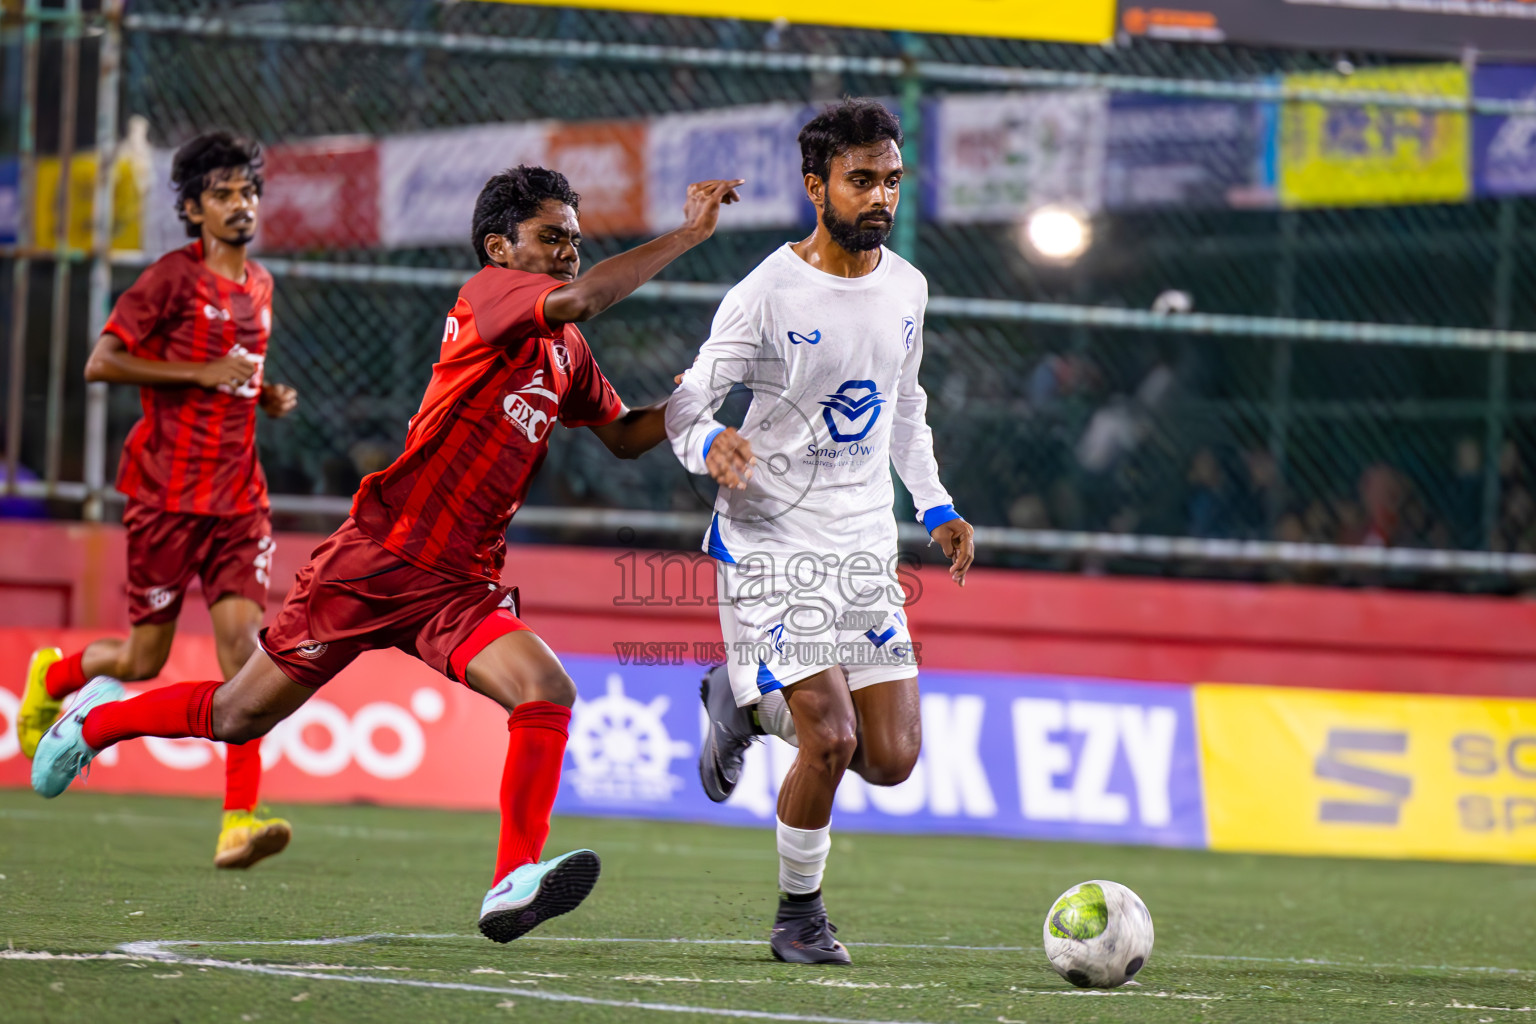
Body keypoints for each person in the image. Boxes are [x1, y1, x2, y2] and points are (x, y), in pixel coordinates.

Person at [31, 165, 744, 942]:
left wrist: (700, 399)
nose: (569, 252)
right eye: (553, 238)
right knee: (238, 715)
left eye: (576, 240)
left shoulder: (565, 351)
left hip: (458, 584)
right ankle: (92, 726)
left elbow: (624, 437)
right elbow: (584, 297)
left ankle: (511, 882)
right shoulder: (491, 295)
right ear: (500, 247)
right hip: (376, 560)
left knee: (545, 689)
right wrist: (690, 235)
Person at [667, 100, 974, 965]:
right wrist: (708, 443)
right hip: (771, 539)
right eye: (862, 179)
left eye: (892, 180)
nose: (881, 196)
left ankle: (743, 704)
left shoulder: (907, 285)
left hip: (865, 546)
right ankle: (799, 918)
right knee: (831, 737)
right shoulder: (767, 292)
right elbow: (689, 401)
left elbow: (905, 406)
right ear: (817, 186)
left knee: (891, 758)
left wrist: (937, 504)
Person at [17, 131, 299, 870]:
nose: (240, 206)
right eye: (222, 195)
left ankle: (239, 820)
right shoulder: (168, 282)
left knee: (249, 657)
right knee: (145, 657)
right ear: (190, 208)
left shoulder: (262, 285)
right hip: (167, 498)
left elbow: (233, 375)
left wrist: (260, 395)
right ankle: (53, 677)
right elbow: (100, 363)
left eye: (248, 192)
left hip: (239, 502)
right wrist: (201, 372)